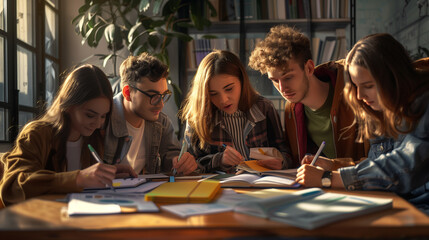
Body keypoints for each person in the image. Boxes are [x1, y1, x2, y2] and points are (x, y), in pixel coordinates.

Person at [296, 33, 429, 213]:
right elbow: (379, 165)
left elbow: (407, 165)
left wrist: (328, 178)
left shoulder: (424, 103)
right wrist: (334, 165)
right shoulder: (383, 110)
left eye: (368, 86)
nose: (360, 96)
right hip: (399, 205)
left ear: (394, 76)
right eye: (356, 86)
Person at [0, 64, 136, 206]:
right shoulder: (37, 134)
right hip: (40, 220)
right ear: (69, 105)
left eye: (103, 116)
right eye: (90, 115)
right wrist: (78, 178)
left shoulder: (93, 137)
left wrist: (108, 174)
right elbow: (13, 188)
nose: (98, 124)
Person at [248, 25, 368, 168]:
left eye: (288, 77)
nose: (282, 88)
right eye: (274, 80)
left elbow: (378, 162)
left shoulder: (356, 92)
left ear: (309, 68)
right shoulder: (291, 109)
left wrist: (333, 166)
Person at [180, 50, 292, 173]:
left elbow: (286, 154)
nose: (223, 100)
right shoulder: (198, 117)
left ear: (242, 81)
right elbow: (190, 167)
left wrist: (281, 163)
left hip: (264, 185)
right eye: (213, 94)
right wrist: (219, 159)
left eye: (229, 89)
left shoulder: (264, 108)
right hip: (220, 189)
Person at [103, 52, 197, 175]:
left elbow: (171, 155)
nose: (161, 104)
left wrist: (178, 162)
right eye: (153, 96)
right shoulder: (102, 119)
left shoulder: (161, 122)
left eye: (163, 96)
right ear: (127, 93)